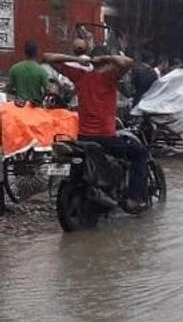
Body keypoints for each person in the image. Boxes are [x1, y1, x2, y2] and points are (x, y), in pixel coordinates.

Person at [43, 39, 148, 212]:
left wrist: (78, 61)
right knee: (140, 154)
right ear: (107, 63)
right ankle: (133, 199)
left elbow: (48, 57)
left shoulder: (80, 76)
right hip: (106, 138)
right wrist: (104, 59)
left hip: (83, 137)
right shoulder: (110, 77)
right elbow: (128, 62)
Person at [8, 40, 49, 105]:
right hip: (35, 107)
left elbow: (9, 89)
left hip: (19, 107)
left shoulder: (15, 69)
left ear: (25, 52)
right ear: (37, 52)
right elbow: (47, 91)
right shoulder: (42, 71)